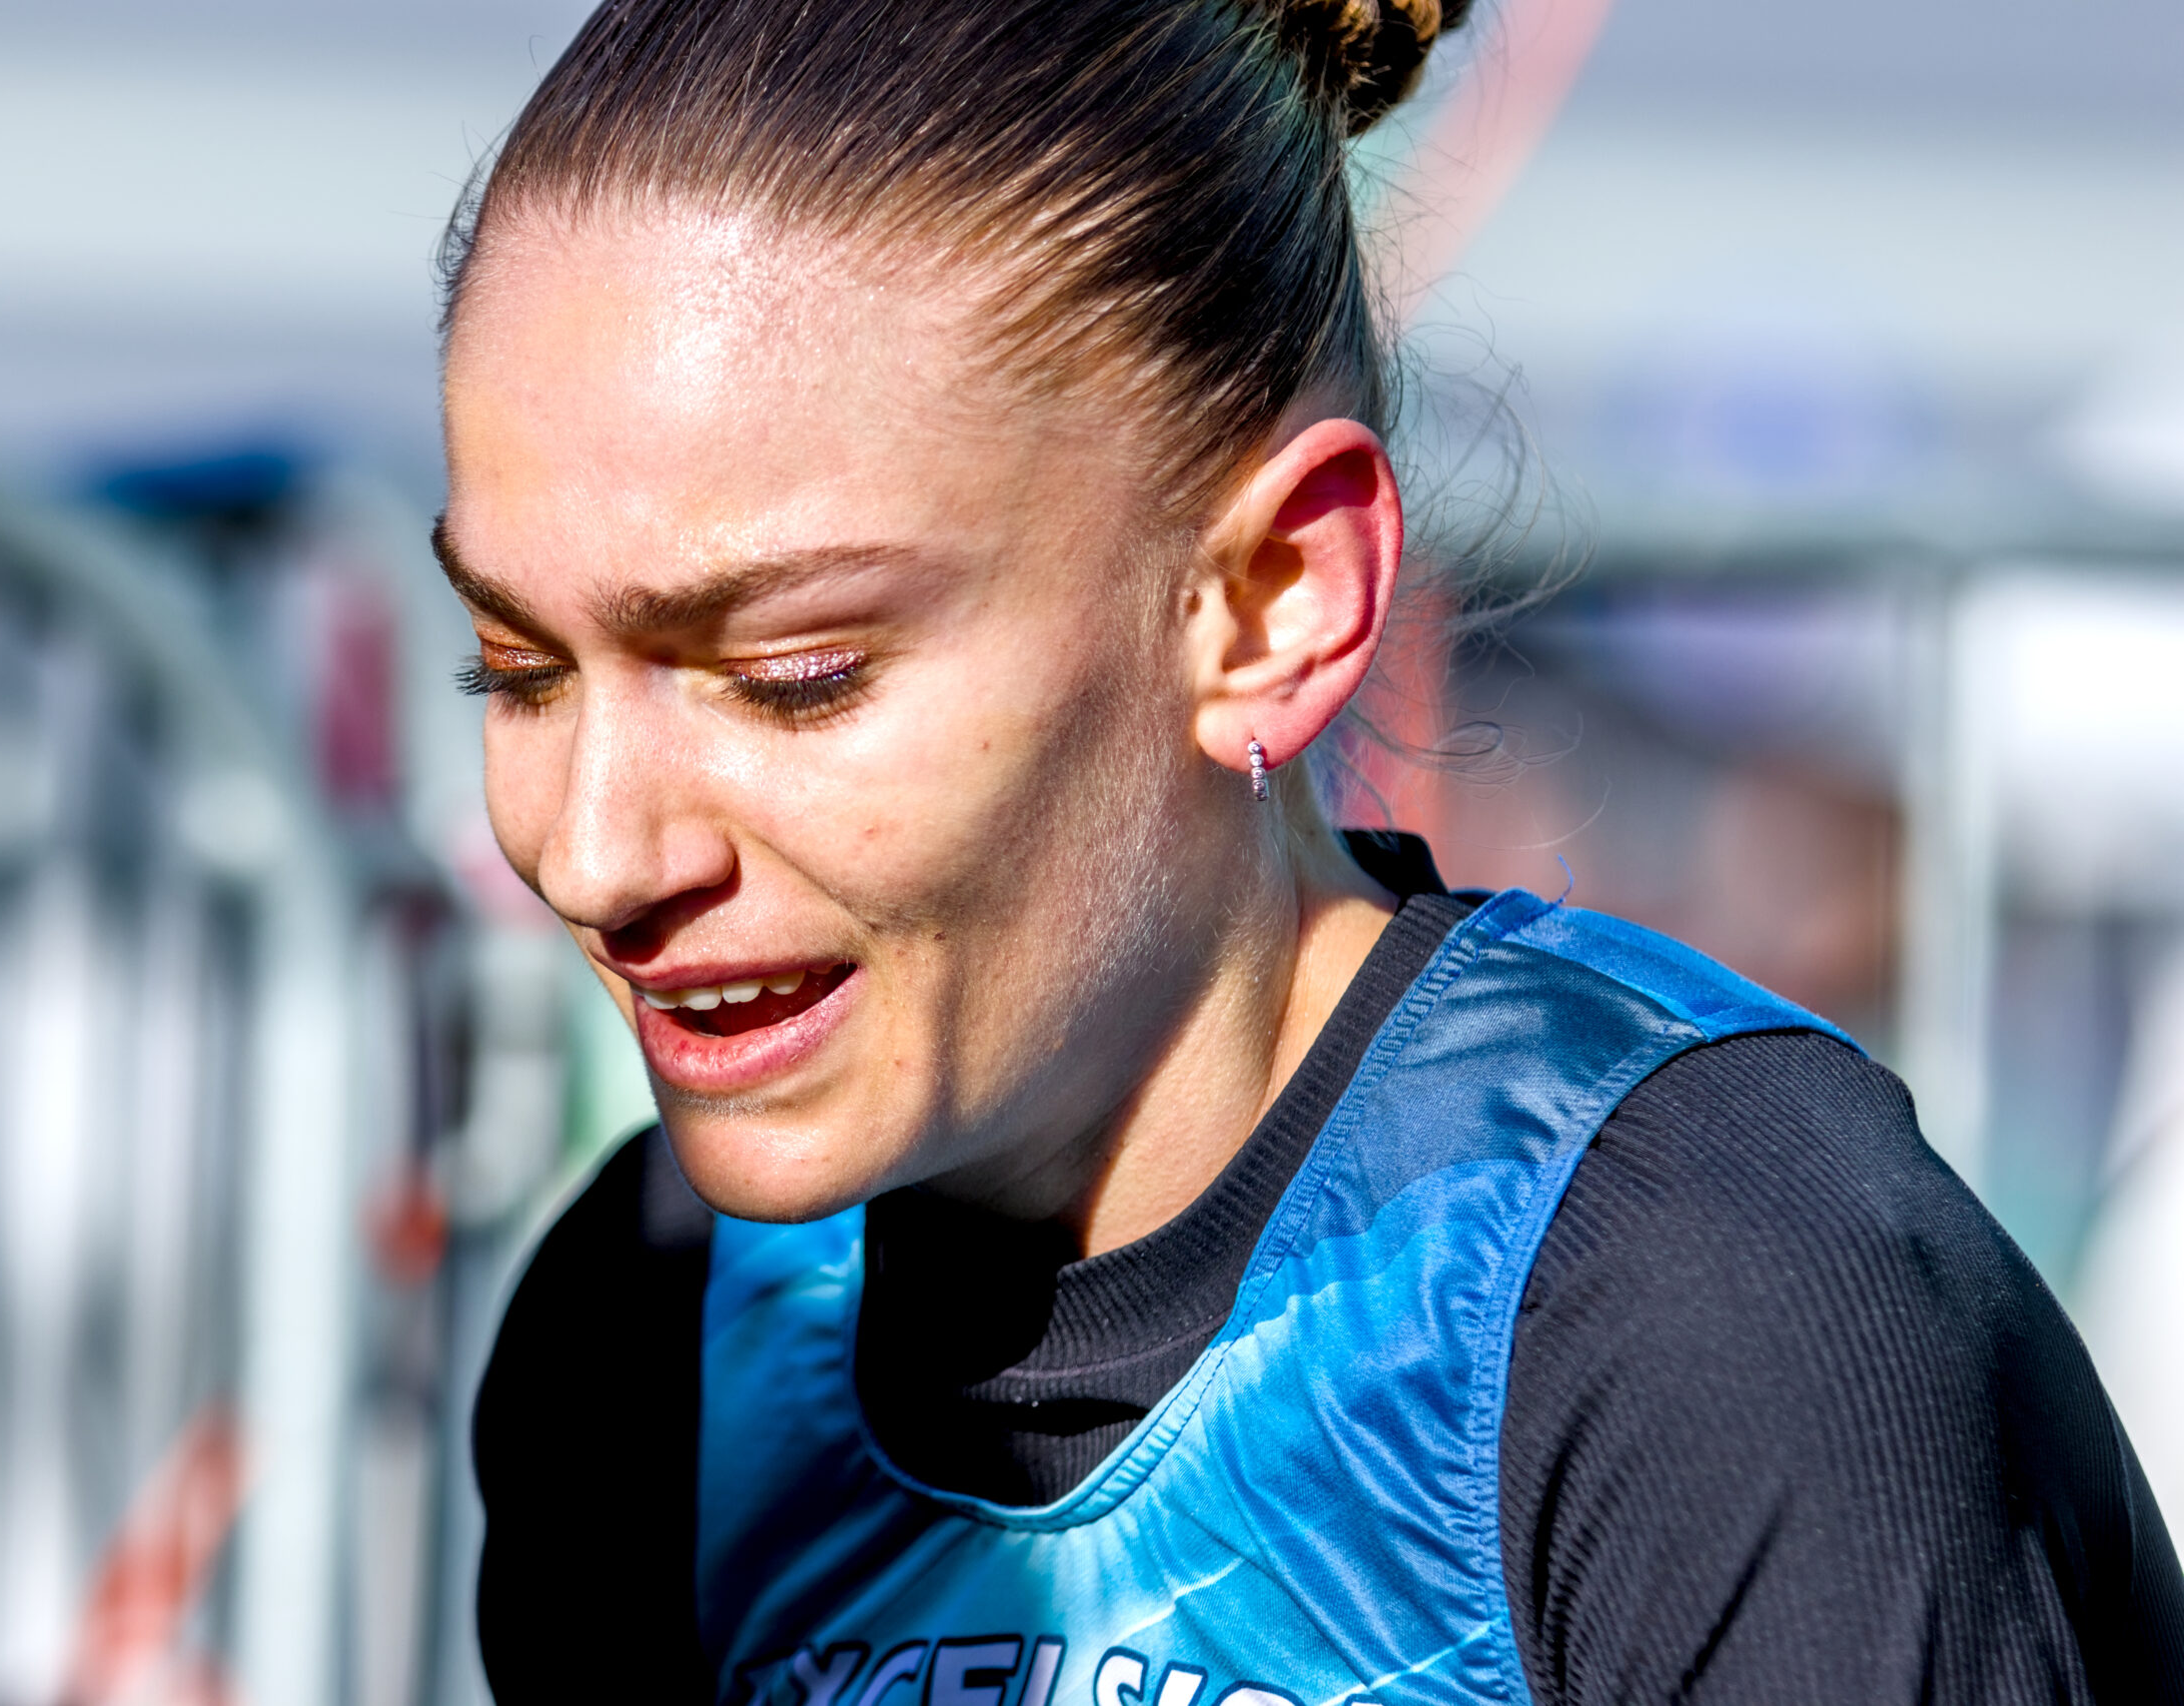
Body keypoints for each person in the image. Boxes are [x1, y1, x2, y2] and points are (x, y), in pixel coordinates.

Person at [436, 0, 2184, 1699]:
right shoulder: (659, 1327)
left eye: (793, 676)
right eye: (516, 668)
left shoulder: (1702, 1308)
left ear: (1273, 603)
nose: (594, 854)